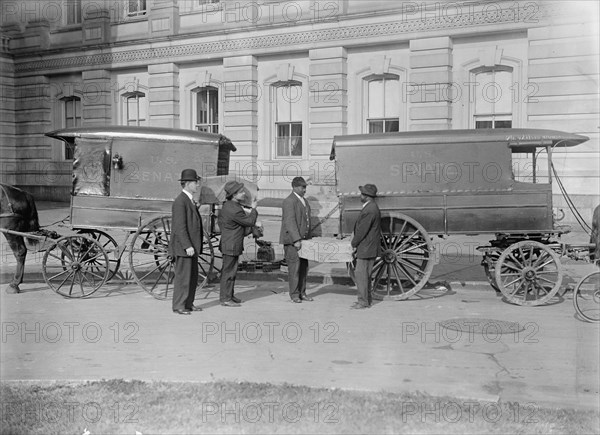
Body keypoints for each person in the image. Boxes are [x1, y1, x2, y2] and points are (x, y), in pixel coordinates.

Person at [168, 169, 204, 315]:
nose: (197, 185)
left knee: (192, 276)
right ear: (188, 183)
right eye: (196, 182)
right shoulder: (180, 201)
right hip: (185, 248)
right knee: (183, 277)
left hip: (192, 246)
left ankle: (188, 303)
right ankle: (179, 305)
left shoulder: (188, 200)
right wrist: (187, 245)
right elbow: (179, 227)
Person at [218, 180, 258, 307]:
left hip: (231, 243)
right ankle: (225, 298)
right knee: (228, 272)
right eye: (241, 192)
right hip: (231, 244)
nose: (243, 194)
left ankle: (229, 295)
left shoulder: (230, 205)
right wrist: (254, 209)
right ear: (233, 195)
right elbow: (249, 221)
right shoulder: (234, 209)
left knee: (231, 272)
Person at [279, 176, 312, 303]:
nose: (304, 189)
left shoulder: (304, 201)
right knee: (294, 268)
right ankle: (294, 295)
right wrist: (296, 240)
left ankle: (302, 292)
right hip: (292, 241)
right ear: (294, 187)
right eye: (302, 187)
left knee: (304, 268)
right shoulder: (289, 201)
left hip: (303, 241)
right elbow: (290, 222)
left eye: (305, 187)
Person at [350, 184, 381, 309]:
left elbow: (362, 231)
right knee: (366, 275)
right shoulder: (372, 207)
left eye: (362, 194)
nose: (360, 196)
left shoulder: (369, 210)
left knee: (361, 275)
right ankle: (367, 300)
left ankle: (363, 302)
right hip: (370, 247)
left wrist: (353, 244)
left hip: (366, 248)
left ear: (367, 197)